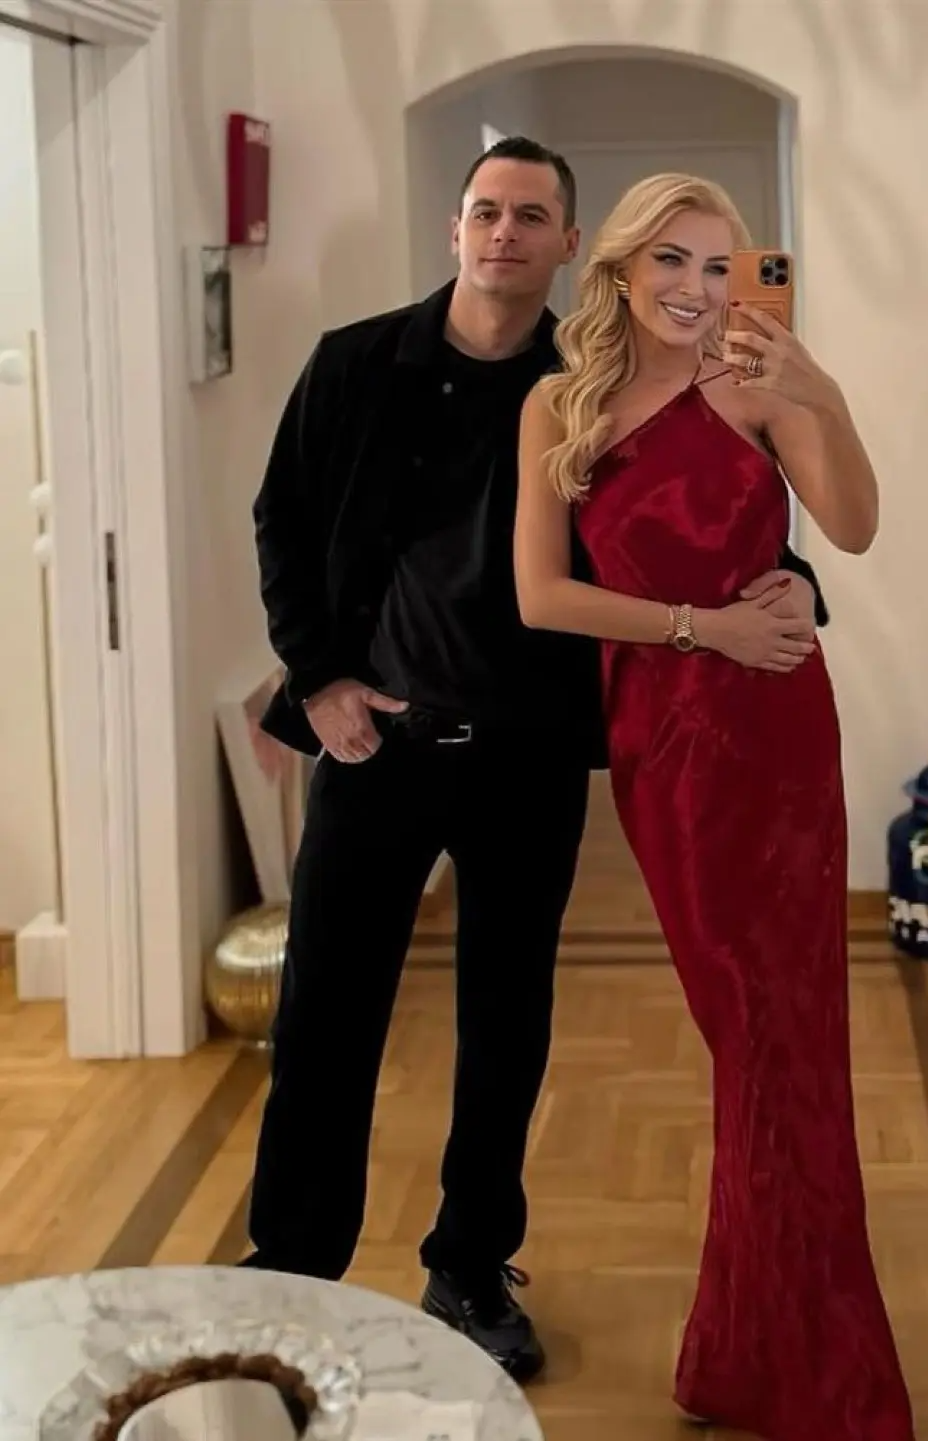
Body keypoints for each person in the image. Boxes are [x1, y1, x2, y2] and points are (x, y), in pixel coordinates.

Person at [242, 138, 830, 1384]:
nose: (503, 232)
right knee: (324, 1015)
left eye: (530, 215)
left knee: (507, 1024)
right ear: (455, 229)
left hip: (526, 752)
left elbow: (691, 513)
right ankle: (292, 1269)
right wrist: (319, 678)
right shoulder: (353, 363)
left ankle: (469, 1264)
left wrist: (795, 581)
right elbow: (281, 521)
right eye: (484, 211)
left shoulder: (594, 377)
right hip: (377, 738)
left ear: (570, 245)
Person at [514, 172, 914, 1439]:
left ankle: (799, 1369)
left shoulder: (755, 383)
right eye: (672, 262)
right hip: (665, 742)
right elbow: (541, 597)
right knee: (749, 1040)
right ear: (622, 269)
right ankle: (754, 1354)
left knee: (785, 1046)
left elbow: (853, 527)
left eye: (718, 265)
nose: (695, 289)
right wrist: (706, 627)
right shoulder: (558, 406)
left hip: (779, 734)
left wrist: (821, 393)